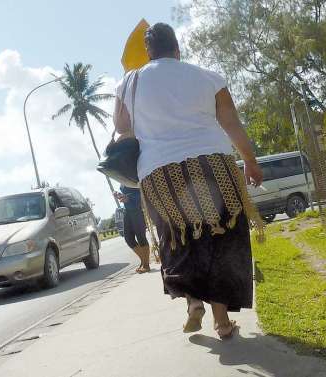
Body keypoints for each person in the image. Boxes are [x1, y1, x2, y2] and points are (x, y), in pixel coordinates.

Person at [113, 23, 264, 339]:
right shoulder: (207, 76)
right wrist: (249, 160)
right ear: (177, 49)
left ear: (149, 52)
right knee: (219, 239)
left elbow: (121, 125)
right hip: (214, 166)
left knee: (177, 238)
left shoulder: (131, 81)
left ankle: (194, 301)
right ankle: (222, 322)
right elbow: (231, 122)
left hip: (159, 174)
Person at [115, 185, 151, 273]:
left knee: (141, 237)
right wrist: (119, 195)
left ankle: (146, 265)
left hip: (136, 210)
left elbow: (142, 192)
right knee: (128, 238)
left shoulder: (132, 173)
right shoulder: (122, 176)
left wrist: (128, 198)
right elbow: (126, 192)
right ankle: (144, 260)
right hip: (127, 210)